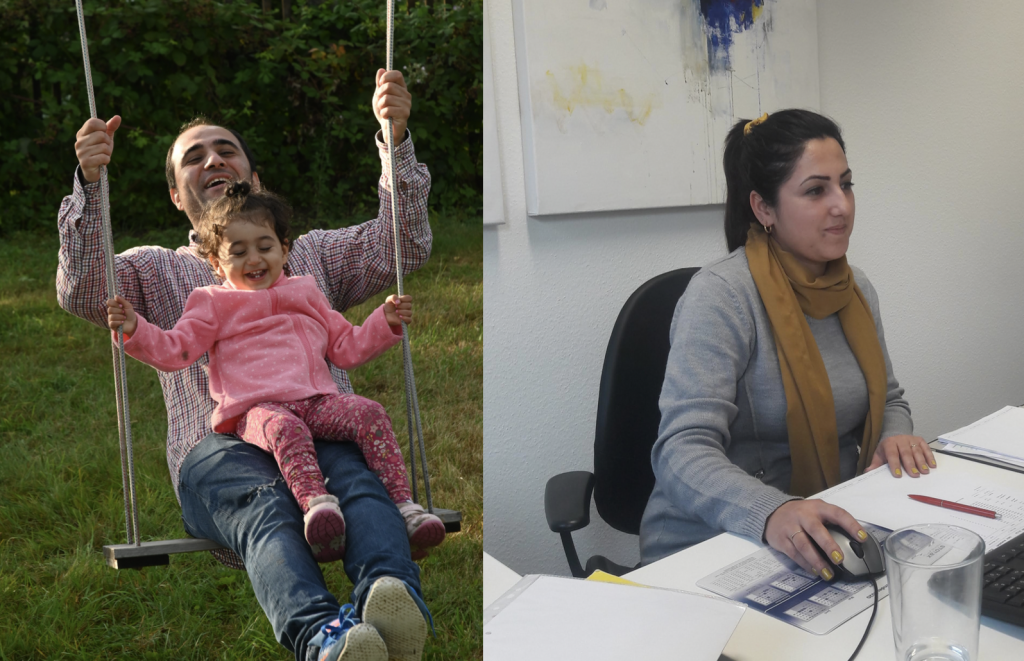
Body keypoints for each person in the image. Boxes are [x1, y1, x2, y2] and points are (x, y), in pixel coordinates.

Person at [59, 69, 434, 661]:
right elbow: (84, 290)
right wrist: (90, 182)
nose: (212, 160)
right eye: (194, 157)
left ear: (254, 178)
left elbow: (403, 246)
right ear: (177, 196)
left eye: (225, 150)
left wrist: (396, 140)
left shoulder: (304, 257)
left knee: (361, 486)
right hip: (222, 447)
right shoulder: (157, 269)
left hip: (322, 421)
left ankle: (389, 596)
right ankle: (323, 638)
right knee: (268, 505)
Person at [639, 109, 937, 581]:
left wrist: (892, 435)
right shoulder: (721, 296)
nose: (841, 204)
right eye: (816, 190)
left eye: (847, 184)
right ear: (763, 209)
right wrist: (772, 512)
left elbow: (891, 399)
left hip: (827, 527)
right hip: (715, 544)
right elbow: (681, 449)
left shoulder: (855, 289)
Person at [105, 182, 446, 564]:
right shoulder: (213, 303)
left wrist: (384, 322)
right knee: (286, 428)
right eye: (238, 252)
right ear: (216, 264)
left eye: (264, 247)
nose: (254, 259)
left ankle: (404, 508)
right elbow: (176, 349)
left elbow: (345, 347)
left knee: (369, 412)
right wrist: (135, 329)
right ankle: (318, 508)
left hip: (318, 402)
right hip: (255, 411)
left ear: (284, 250)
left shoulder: (306, 294)